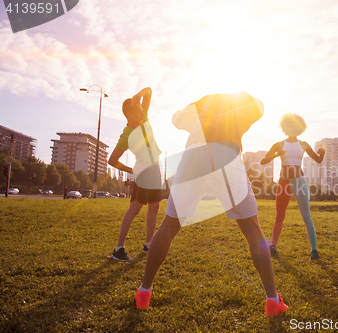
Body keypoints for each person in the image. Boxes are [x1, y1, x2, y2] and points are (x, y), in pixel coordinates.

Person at [135, 92, 289, 317]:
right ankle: (273, 301)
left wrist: (201, 110)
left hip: (193, 159)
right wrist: (230, 113)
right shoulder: (243, 105)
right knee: (253, 230)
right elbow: (260, 106)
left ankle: (144, 293)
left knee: (169, 226)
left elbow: (176, 119)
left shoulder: (199, 106)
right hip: (226, 156)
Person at [108, 87, 162, 261]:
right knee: (135, 209)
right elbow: (112, 160)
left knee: (155, 207)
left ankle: (149, 244)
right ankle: (119, 249)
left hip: (156, 169)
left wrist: (137, 96)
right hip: (144, 173)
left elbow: (149, 91)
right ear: (129, 115)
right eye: (138, 112)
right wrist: (131, 170)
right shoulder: (126, 135)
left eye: (141, 111)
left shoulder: (143, 118)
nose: (142, 113)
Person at [261, 114, 325, 260]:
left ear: (300, 128)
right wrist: (277, 154)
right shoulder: (279, 145)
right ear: (285, 128)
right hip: (284, 182)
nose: (293, 129)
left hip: (299, 181)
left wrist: (322, 153)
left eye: (296, 127)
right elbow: (263, 161)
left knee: (306, 215)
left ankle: (314, 251)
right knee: (279, 215)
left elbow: (318, 159)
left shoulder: (304, 144)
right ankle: (273, 246)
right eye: (290, 126)